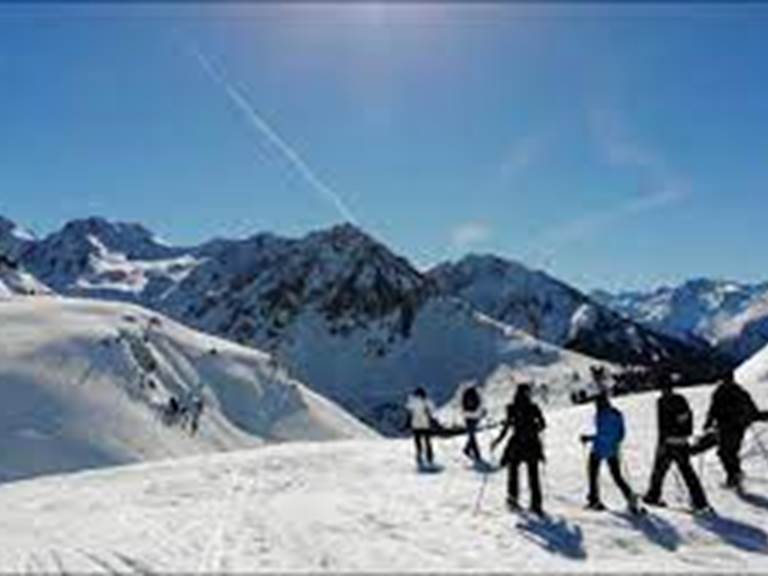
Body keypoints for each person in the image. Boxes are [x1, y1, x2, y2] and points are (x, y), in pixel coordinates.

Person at [643, 379, 710, 512]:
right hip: (682, 442)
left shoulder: (661, 402)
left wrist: (661, 442)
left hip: (668, 442)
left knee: (659, 471)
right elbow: (687, 418)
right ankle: (700, 502)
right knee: (687, 472)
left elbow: (662, 425)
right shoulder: (680, 400)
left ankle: (653, 496)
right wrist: (686, 434)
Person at [703, 372, 768, 491]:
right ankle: (735, 475)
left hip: (725, 427)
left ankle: (734, 476)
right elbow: (752, 409)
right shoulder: (740, 392)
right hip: (738, 427)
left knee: (724, 452)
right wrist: (758, 417)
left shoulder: (719, 392)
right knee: (731, 451)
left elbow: (713, 409)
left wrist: (708, 423)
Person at [581, 391, 641, 513]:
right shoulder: (617, 413)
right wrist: (616, 442)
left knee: (593, 473)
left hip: (599, 448)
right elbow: (621, 434)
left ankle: (594, 499)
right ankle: (630, 496)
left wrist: (588, 438)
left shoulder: (601, 415)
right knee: (617, 476)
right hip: (613, 449)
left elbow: (602, 434)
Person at [491, 383, 546, 515]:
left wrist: (497, 441)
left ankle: (512, 499)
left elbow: (507, 427)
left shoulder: (511, 408)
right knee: (533, 475)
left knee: (513, 471)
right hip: (532, 444)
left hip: (517, 444)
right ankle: (536, 504)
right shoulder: (534, 408)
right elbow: (543, 425)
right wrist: (534, 430)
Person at [406, 387, 436, 468]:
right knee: (427, 441)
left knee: (417, 441)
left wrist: (408, 423)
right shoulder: (427, 402)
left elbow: (409, 412)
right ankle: (429, 456)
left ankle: (419, 455)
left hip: (415, 424)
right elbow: (433, 410)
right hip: (425, 424)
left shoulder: (412, 402)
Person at [461, 384, 485, 462]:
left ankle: (467, 449)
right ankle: (476, 454)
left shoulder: (466, 394)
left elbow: (463, 405)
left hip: (468, 417)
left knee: (472, 435)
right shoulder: (475, 395)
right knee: (472, 435)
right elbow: (479, 405)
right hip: (475, 417)